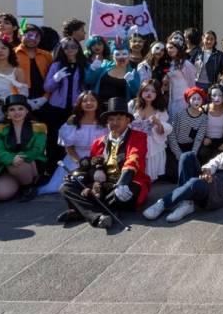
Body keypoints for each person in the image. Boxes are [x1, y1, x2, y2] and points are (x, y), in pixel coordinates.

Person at [57, 97, 150, 229]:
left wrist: (122, 183)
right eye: (111, 119)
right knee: (65, 187)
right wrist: (75, 175)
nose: (115, 122)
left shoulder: (139, 137)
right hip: (102, 186)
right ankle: (98, 216)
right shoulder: (99, 142)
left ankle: (82, 211)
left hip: (128, 182)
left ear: (128, 120)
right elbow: (93, 167)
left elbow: (133, 159)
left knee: (122, 194)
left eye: (119, 118)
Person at [143, 130, 223, 222]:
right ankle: (187, 203)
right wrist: (206, 172)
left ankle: (162, 203)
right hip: (209, 181)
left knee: (194, 182)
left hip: (218, 194)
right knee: (187, 156)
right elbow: (211, 165)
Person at [38, 91, 106, 195]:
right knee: (69, 183)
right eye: (85, 101)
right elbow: (68, 146)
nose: (89, 103)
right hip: (75, 156)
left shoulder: (104, 121)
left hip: (98, 157)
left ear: (98, 103)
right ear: (79, 104)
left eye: (92, 100)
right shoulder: (73, 120)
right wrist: (78, 161)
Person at [42, 36, 89, 167]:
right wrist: (56, 78)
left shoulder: (84, 65)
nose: (70, 49)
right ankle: (52, 167)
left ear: (78, 48)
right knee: (53, 138)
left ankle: (72, 166)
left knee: (72, 138)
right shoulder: (56, 65)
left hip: (75, 109)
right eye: (66, 47)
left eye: (74, 46)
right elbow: (47, 87)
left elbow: (89, 85)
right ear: (61, 49)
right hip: (56, 108)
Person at [0, 94, 46, 202]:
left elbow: (38, 149)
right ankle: (21, 184)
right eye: (12, 109)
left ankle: (29, 187)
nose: (17, 112)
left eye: (20, 108)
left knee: (17, 165)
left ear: (26, 111)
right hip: (9, 165)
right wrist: (11, 159)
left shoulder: (38, 127)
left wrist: (19, 157)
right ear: (7, 113)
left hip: (32, 163)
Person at [128, 79, 172, 181]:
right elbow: (124, 121)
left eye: (153, 91)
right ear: (141, 91)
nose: (149, 94)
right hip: (134, 142)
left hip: (152, 143)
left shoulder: (161, 109)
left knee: (148, 173)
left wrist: (158, 123)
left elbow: (164, 130)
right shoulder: (132, 105)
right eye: (146, 90)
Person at [167, 86, 208, 181]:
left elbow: (199, 138)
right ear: (188, 100)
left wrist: (191, 156)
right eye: (193, 98)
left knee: (190, 174)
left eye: (199, 99)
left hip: (190, 147)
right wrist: (179, 154)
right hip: (176, 147)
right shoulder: (179, 114)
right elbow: (171, 135)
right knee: (175, 177)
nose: (196, 101)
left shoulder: (204, 118)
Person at [87, 39, 140, 105]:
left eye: (124, 54)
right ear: (113, 56)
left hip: (120, 109)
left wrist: (132, 81)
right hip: (99, 106)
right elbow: (88, 81)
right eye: (117, 54)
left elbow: (137, 93)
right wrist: (93, 69)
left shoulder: (133, 73)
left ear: (129, 55)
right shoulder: (104, 66)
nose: (121, 57)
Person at [13, 24, 52, 114]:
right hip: (19, 101)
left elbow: (51, 78)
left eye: (37, 36)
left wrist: (45, 97)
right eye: (29, 35)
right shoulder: (11, 54)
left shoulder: (47, 55)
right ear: (20, 35)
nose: (33, 39)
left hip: (44, 100)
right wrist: (19, 98)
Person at [197, 84, 223, 164]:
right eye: (214, 95)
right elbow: (195, 129)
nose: (217, 98)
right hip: (206, 140)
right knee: (202, 153)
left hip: (221, 142)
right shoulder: (203, 109)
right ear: (210, 96)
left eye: (220, 95)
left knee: (220, 158)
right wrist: (203, 138)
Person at [163, 33, 197, 116]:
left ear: (178, 48)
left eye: (171, 48)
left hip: (184, 100)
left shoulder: (186, 63)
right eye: (167, 49)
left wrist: (191, 99)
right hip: (172, 99)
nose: (169, 50)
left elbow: (192, 84)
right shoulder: (170, 63)